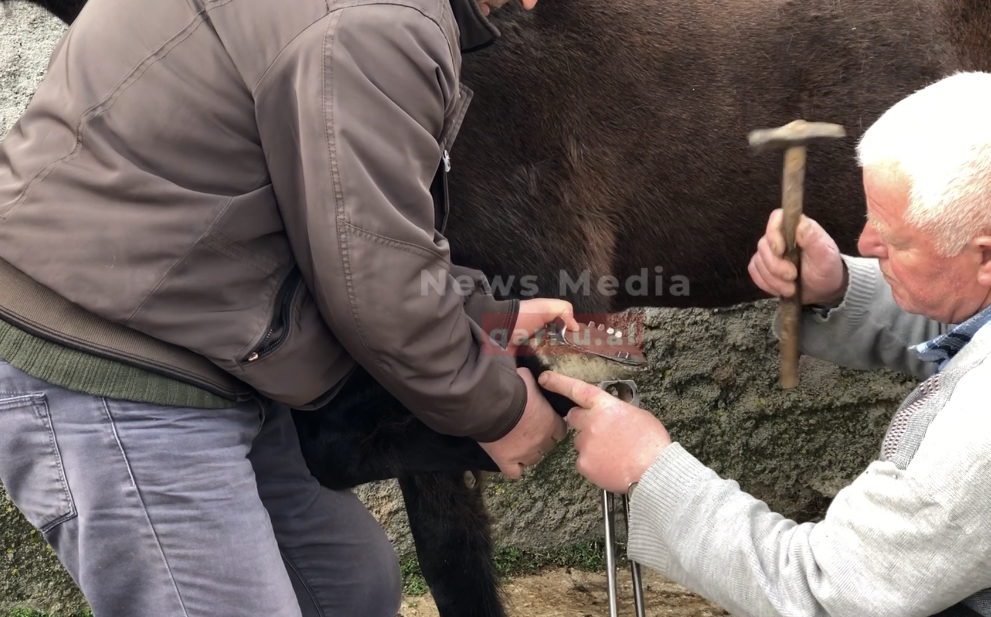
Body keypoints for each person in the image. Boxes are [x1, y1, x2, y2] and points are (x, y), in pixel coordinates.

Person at [0, 0, 579, 614]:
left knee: (348, 587)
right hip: (106, 363)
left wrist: (489, 318)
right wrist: (504, 412)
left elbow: (347, 233)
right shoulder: (377, 21)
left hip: (189, 331)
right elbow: (376, 287)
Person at [537, 71, 991, 616]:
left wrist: (649, 467)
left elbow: (822, 591)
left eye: (895, 239)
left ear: (987, 255)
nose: (865, 243)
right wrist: (841, 286)